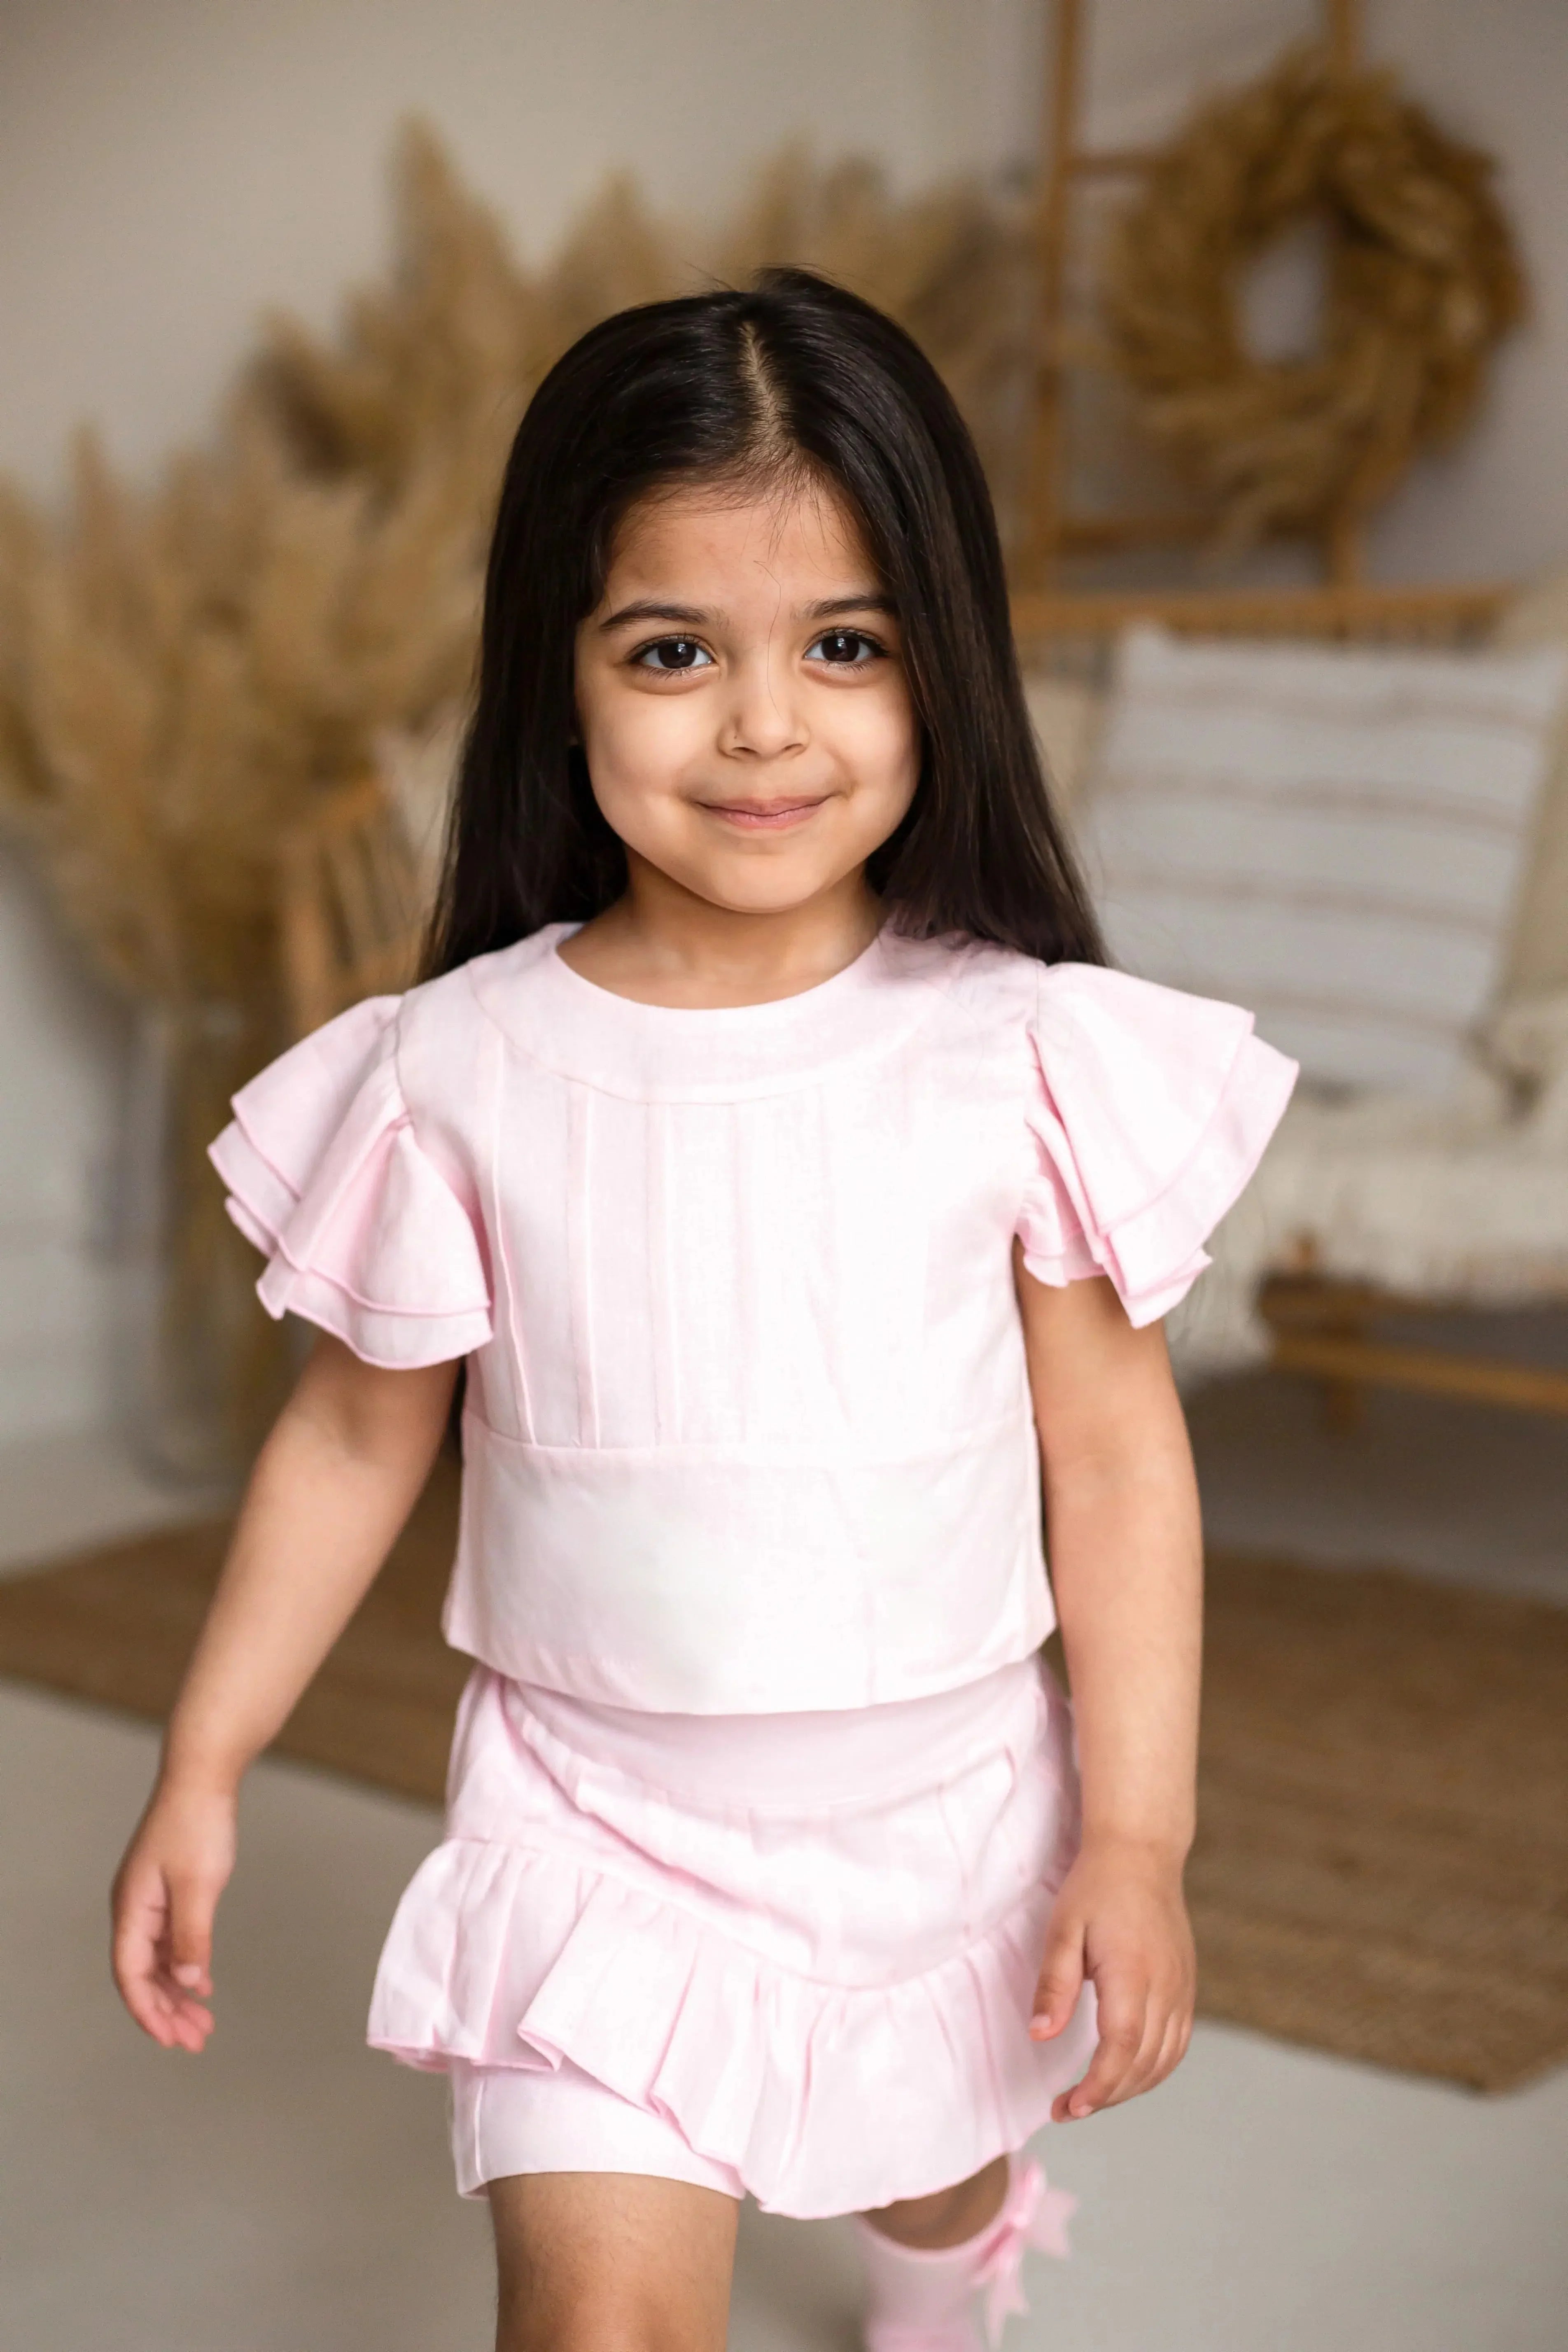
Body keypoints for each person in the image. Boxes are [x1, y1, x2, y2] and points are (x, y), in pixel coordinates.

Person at [110, 268, 1296, 2352]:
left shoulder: (1015, 1052)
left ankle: (948, 2283)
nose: (764, 723)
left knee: (925, 2173)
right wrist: (205, 1760)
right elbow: (354, 1431)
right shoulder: (454, 1068)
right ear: (559, 683)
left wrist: (1140, 1834)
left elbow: (1114, 1454)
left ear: (945, 674)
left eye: (844, 645)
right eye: (676, 650)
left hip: (947, 1817)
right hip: (593, 1826)